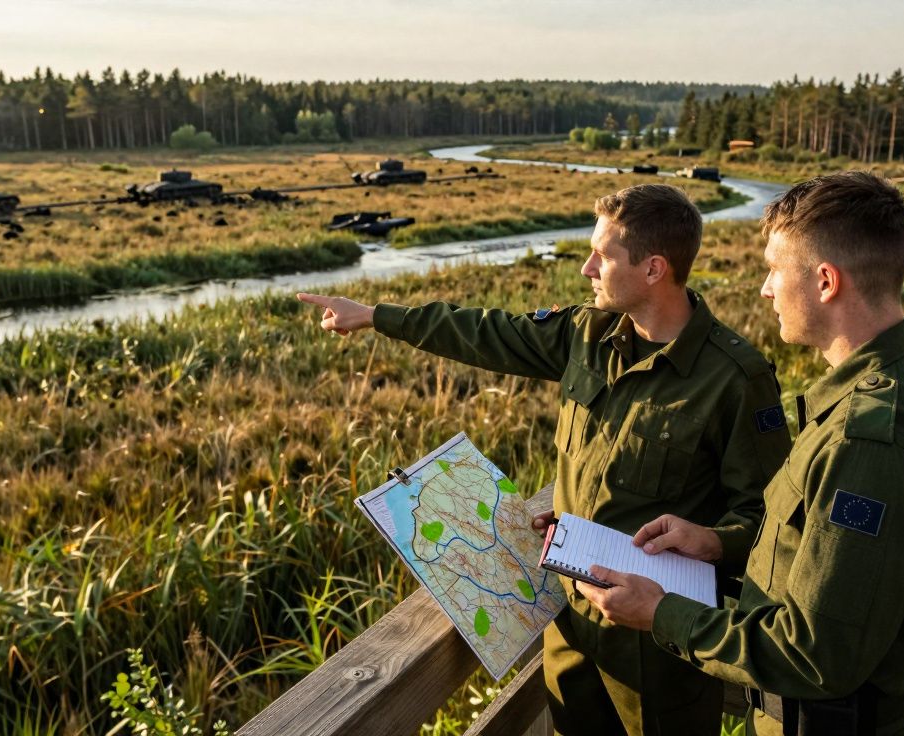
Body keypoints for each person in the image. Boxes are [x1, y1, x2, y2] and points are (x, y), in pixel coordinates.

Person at [298, 183, 791, 735]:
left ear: (654, 269)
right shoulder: (588, 334)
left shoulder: (735, 379)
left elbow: (771, 527)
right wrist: (374, 315)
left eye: (602, 255)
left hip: (659, 643)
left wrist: (714, 540)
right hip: (569, 622)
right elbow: (484, 332)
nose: (586, 268)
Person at [576, 171, 904, 736]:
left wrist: (661, 613)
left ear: (824, 281)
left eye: (774, 270)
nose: (766, 289)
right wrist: (719, 541)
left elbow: (815, 654)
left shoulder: (870, 439)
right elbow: (818, 554)